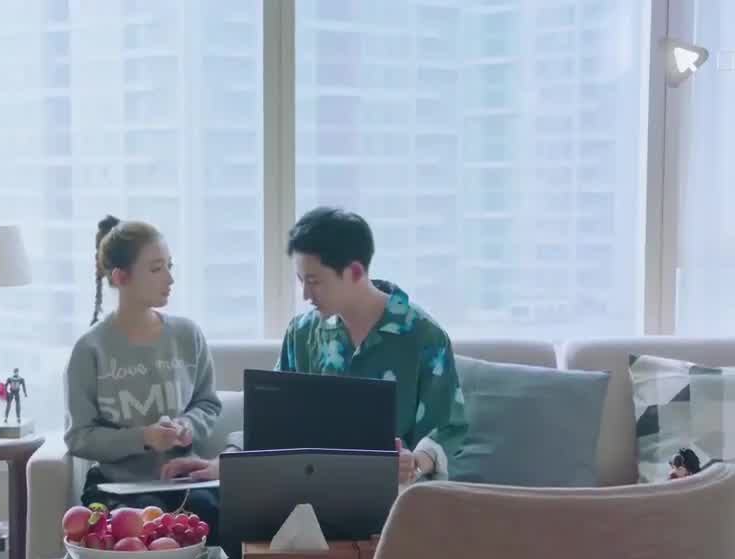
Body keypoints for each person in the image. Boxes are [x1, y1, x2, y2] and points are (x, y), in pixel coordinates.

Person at [161, 206, 470, 489]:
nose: (306, 294)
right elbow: (272, 419)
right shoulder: (302, 333)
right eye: (301, 281)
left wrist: (415, 462)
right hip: (306, 488)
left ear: (355, 272)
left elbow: (449, 427)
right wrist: (227, 461)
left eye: (315, 281)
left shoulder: (423, 336)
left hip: (396, 497)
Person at [64, 215, 223, 530]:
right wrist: (144, 438)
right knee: (141, 523)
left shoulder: (187, 335)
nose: (170, 278)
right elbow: (79, 437)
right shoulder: (90, 349)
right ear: (121, 277)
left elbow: (207, 404)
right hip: (116, 486)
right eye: (156, 269)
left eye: (169, 266)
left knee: (208, 514)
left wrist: (187, 426)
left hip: (183, 481)